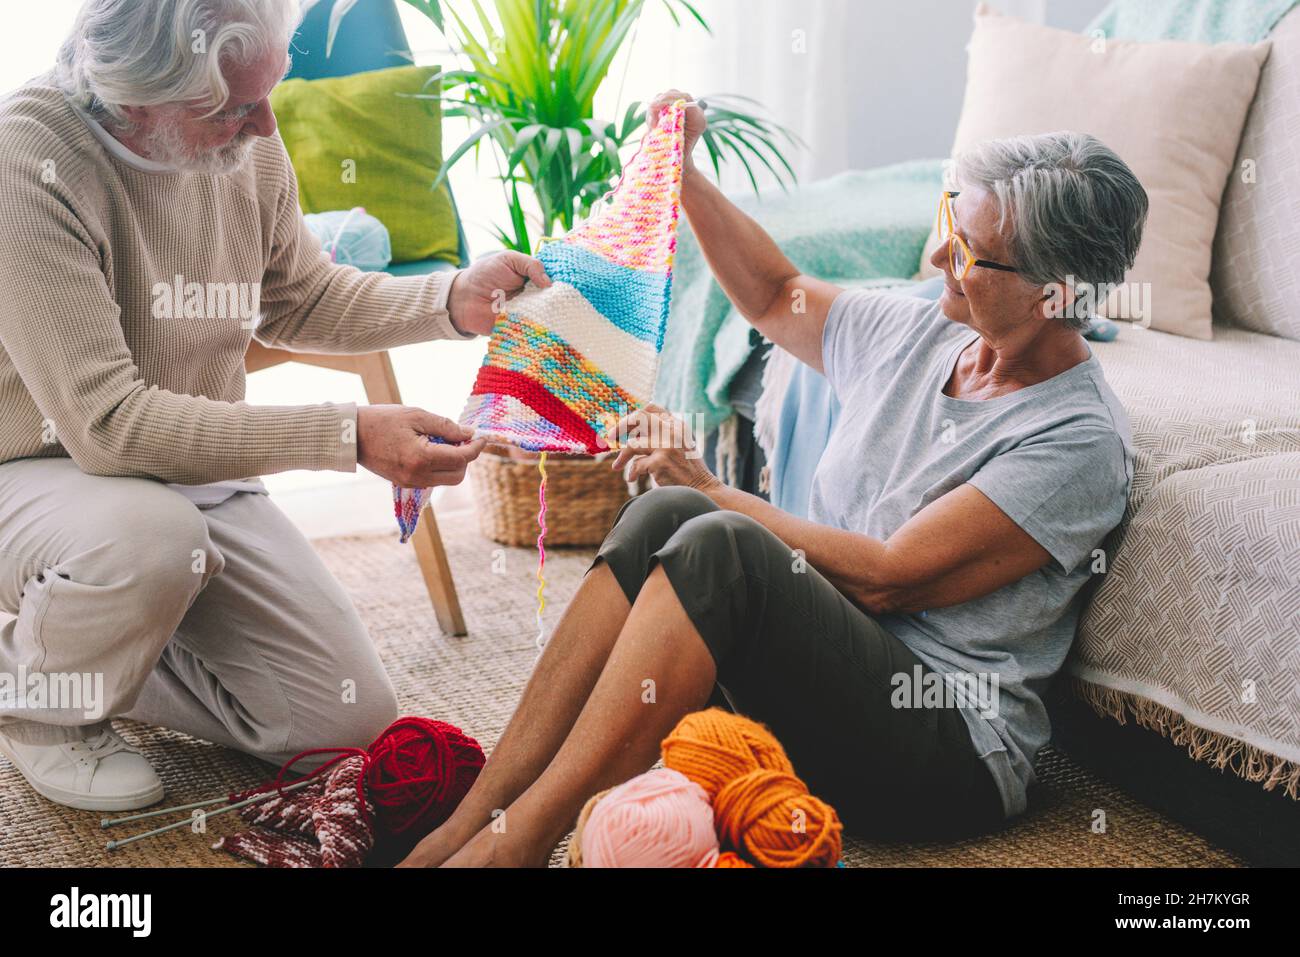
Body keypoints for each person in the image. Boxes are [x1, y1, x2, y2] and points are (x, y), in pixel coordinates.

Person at [401, 89, 1146, 866]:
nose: (935, 262)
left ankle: (515, 847)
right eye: (947, 227)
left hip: (943, 750)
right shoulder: (922, 327)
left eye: (968, 253)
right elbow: (769, 295)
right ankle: (469, 823)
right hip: (821, 693)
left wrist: (718, 489)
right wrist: (681, 172)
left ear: (1056, 293)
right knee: (670, 516)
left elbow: (891, 581)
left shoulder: (1076, 440)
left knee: (722, 536)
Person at [0, 0, 549, 812]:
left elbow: (298, 296)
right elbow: (110, 427)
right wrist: (347, 436)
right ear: (133, 96)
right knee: (153, 541)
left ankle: (96, 633)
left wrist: (451, 300)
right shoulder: (27, 163)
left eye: (269, 95)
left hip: (189, 470)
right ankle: (44, 710)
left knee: (342, 721)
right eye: (230, 110)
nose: (264, 129)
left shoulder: (241, 136)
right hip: (41, 470)